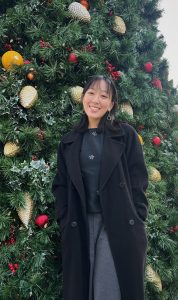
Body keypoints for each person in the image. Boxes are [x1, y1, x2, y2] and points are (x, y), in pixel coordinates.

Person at [51, 75, 149, 300]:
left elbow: (138, 180)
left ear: (111, 104)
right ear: (83, 97)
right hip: (80, 222)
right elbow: (61, 184)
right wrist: (65, 218)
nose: (96, 100)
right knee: (82, 290)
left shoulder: (126, 136)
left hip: (118, 221)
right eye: (91, 93)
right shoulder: (69, 141)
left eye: (104, 96)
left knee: (109, 289)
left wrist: (137, 216)